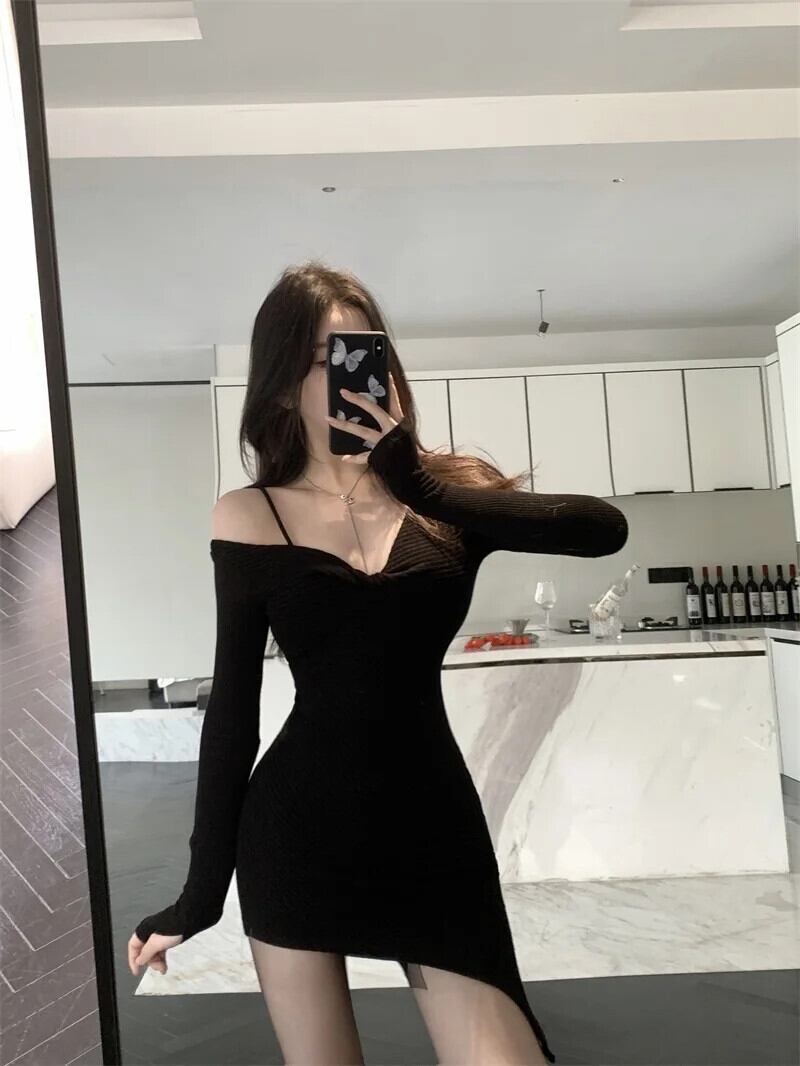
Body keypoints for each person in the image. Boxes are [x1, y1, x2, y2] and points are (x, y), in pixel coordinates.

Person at [129, 261, 629, 1065]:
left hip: (432, 827)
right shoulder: (250, 515)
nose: (352, 374)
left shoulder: (447, 492)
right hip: (296, 831)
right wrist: (199, 895)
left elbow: (603, 530)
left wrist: (417, 482)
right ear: (281, 385)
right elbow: (233, 713)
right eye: (323, 358)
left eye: (365, 352)